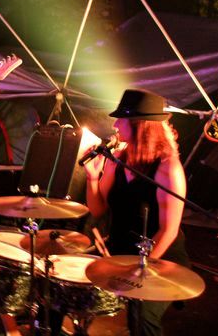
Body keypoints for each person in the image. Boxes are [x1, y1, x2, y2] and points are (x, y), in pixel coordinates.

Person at [84, 89, 189, 336]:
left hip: (160, 257)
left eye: (121, 119)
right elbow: (98, 209)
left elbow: (169, 230)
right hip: (121, 252)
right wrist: (92, 179)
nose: (115, 125)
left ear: (139, 126)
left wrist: (141, 268)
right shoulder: (118, 158)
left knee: (142, 316)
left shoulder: (168, 168)